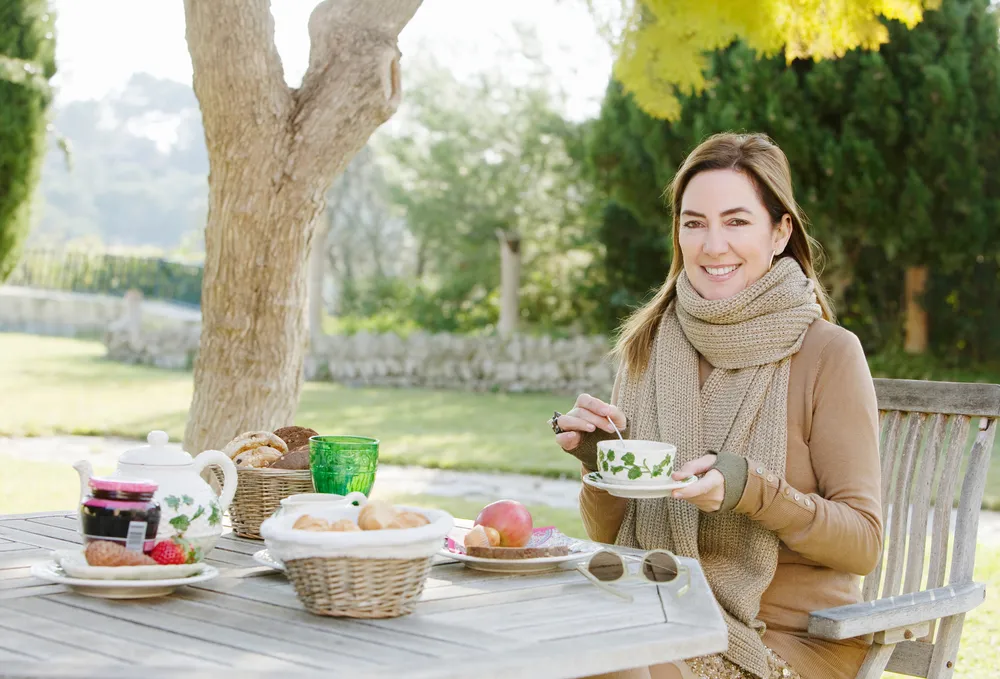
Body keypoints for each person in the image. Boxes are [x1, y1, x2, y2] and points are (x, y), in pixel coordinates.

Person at [551, 133, 882, 679]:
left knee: (610, 662)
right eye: (694, 222)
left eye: (736, 221)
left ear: (780, 233)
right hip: (657, 611)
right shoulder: (650, 343)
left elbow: (863, 545)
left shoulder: (829, 353)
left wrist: (750, 488)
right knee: (526, 643)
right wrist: (602, 460)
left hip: (791, 641)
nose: (712, 245)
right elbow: (610, 537)